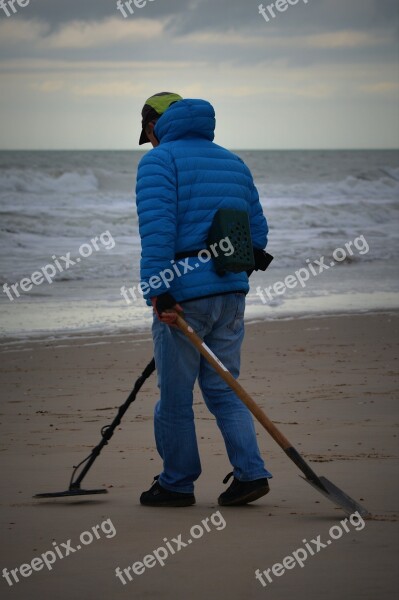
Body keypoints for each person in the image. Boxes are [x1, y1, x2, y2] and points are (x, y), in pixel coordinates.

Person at [135, 92, 272, 507]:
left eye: (147, 131)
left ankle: (177, 484)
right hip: (231, 293)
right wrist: (227, 279)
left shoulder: (159, 162)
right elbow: (258, 236)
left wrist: (159, 293)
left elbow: (157, 233)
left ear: (155, 126)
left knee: (175, 399)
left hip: (182, 296)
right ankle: (251, 474)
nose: (148, 140)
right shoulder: (233, 161)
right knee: (225, 389)